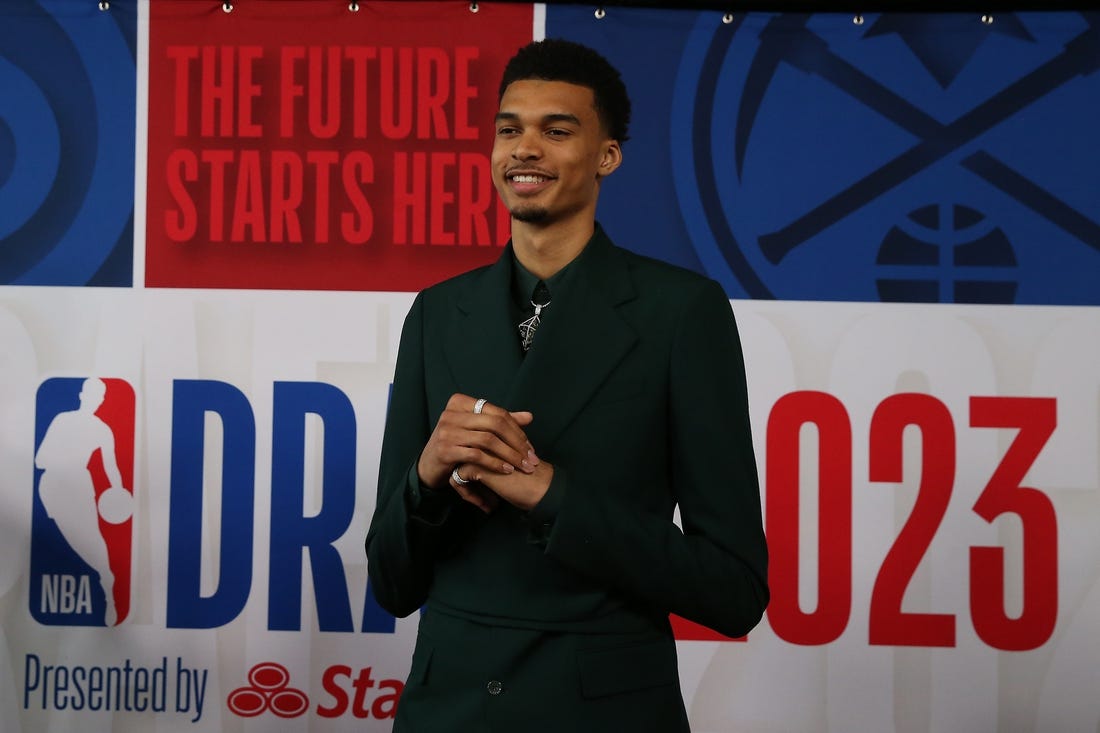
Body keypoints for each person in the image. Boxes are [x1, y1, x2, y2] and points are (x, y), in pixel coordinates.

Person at [365, 38, 768, 732]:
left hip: (601, 711)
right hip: (448, 708)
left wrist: (553, 497)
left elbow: (732, 590)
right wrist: (425, 475)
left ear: (607, 155)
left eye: (557, 130)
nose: (525, 149)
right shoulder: (436, 311)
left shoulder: (681, 312)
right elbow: (392, 584)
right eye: (509, 129)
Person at [35, 378, 124, 626]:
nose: (95, 400)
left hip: (79, 487)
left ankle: (107, 585)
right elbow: (39, 460)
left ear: (102, 401)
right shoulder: (62, 420)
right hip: (51, 486)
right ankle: (103, 575)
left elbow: (111, 467)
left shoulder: (102, 430)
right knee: (68, 540)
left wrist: (118, 491)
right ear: (82, 395)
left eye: (99, 396)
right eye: (92, 394)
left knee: (91, 539)